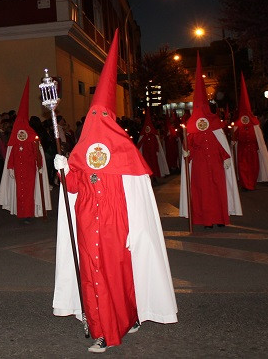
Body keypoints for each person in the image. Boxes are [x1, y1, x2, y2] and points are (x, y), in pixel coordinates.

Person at [52, 30, 178, 354]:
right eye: (92, 115)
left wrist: (135, 229)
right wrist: (63, 169)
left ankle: (127, 317)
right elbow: (75, 188)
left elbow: (138, 195)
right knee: (94, 276)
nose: (95, 120)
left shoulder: (124, 151)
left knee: (118, 275)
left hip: (115, 224)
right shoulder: (81, 150)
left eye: (101, 114)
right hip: (87, 221)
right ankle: (103, 330)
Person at [180, 54, 242, 227]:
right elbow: (189, 148)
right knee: (203, 192)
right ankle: (206, 219)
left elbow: (221, 143)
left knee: (218, 189)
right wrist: (186, 152)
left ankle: (221, 217)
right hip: (199, 164)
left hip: (216, 163)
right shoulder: (191, 128)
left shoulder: (215, 125)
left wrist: (226, 156)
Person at [0, 78, 51, 221]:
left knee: (29, 191)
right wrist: (10, 167)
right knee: (20, 192)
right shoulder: (14, 136)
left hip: (30, 169)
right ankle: (22, 213)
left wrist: (39, 165)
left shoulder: (32, 136)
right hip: (18, 170)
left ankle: (29, 212)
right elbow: (11, 153)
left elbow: (37, 151)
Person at [232, 73, 268, 190]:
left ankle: (251, 183)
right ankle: (246, 184)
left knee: (253, 167)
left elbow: (259, 140)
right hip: (242, 151)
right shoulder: (237, 126)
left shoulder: (255, 125)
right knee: (243, 168)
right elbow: (234, 138)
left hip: (253, 151)